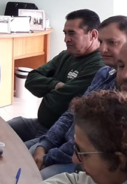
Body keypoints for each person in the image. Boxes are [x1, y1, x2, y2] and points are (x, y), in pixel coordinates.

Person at [30, 16, 127, 178]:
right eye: (102, 42)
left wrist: (48, 157)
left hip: (80, 158)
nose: (103, 49)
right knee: (26, 154)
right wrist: (45, 145)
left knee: (37, 176)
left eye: (112, 42)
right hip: (63, 144)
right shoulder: (103, 73)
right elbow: (72, 113)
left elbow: (90, 141)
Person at [8, 9, 105, 141]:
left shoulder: (98, 65)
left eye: (72, 33)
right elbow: (31, 79)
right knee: (0, 128)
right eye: (65, 33)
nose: (66, 39)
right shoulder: (66, 55)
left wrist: (47, 90)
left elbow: (60, 103)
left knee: (22, 156)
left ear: (93, 35)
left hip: (58, 134)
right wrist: (56, 85)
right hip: (39, 123)